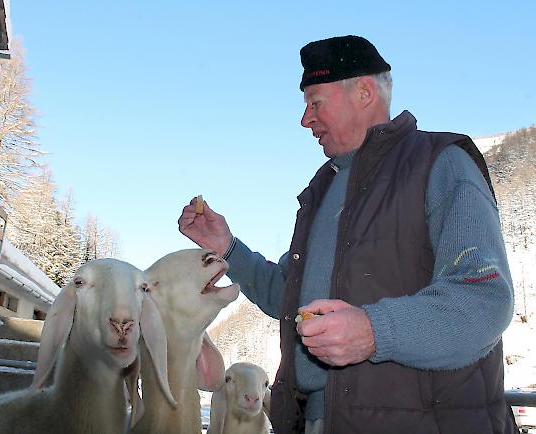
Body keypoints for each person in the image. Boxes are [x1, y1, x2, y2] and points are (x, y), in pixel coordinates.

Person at [178, 35, 516, 434]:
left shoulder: (441, 163)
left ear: (364, 91)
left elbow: (484, 299)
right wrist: (227, 249)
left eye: (315, 103)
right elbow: (288, 298)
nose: (305, 119)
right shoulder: (322, 189)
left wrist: (374, 331)